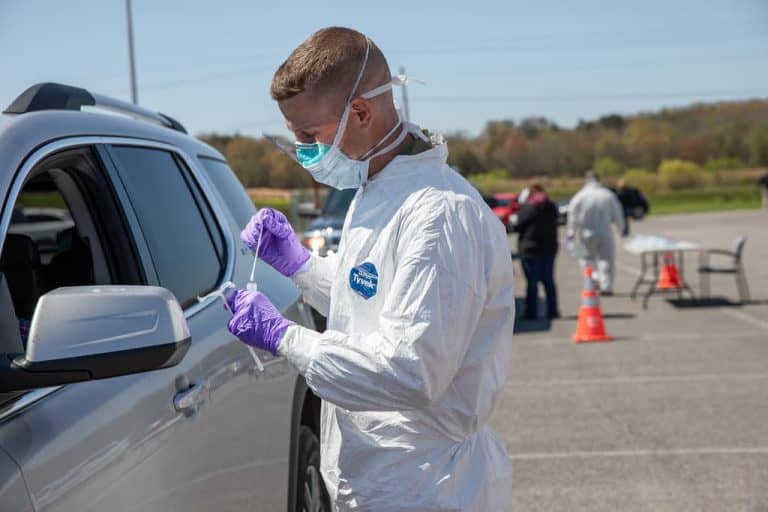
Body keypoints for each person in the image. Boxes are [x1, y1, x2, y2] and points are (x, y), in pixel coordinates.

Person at [225, 28, 515, 511]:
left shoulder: (438, 215)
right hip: (381, 477)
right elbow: (371, 301)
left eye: (309, 135)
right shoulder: (378, 188)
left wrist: (286, 338)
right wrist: (301, 265)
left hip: (424, 487)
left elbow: (408, 372)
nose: (302, 150)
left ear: (361, 112)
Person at [567, 171, 626, 295]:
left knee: (586, 258)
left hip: (586, 233)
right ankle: (606, 286)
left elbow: (572, 214)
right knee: (606, 259)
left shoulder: (580, 196)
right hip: (605, 232)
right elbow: (618, 213)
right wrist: (621, 228)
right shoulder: (607, 195)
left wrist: (571, 232)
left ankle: (593, 279)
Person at [514, 183, 560, 320]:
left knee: (532, 283)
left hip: (530, 249)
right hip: (549, 249)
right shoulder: (551, 207)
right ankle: (553, 311)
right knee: (548, 282)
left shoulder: (528, 208)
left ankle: (531, 313)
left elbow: (517, 225)